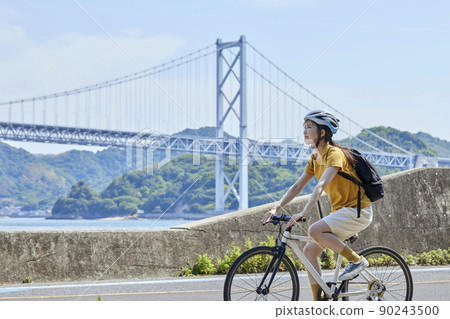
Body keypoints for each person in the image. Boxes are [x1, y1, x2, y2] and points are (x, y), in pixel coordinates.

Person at [261, 110, 373, 301]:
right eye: (304, 126)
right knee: (309, 251)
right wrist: (276, 208)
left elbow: (321, 185)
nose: (304, 130)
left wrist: (304, 212)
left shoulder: (334, 153)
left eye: (309, 126)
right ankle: (320, 301)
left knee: (314, 230)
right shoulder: (315, 158)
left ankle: (357, 260)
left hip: (357, 211)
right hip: (341, 213)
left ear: (322, 132)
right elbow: (297, 186)